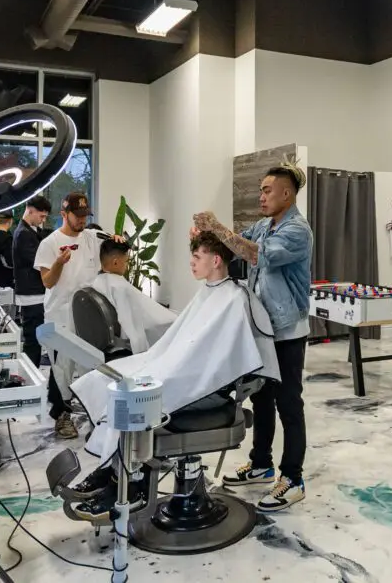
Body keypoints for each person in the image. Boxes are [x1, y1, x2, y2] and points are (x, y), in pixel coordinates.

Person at [67, 232, 279, 519]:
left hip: (208, 388)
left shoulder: (234, 299)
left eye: (197, 257)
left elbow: (226, 357)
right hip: (189, 374)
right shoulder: (209, 292)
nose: (191, 263)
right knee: (115, 380)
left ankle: (130, 487)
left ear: (216, 260)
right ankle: (111, 474)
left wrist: (177, 367)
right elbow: (187, 338)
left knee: (140, 399)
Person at [192, 159, 313, 512]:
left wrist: (219, 227)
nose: (260, 196)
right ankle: (261, 463)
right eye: (260, 190)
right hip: (263, 326)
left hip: (288, 328)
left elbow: (255, 255)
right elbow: (237, 244)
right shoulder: (265, 224)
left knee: (289, 402)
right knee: (261, 398)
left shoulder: (297, 230)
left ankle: (293, 478)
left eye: (266, 190)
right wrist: (208, 235)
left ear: (287, 194)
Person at [35, 192, 124, 439]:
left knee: (89, 365)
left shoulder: (93, 238)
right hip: (59, 315)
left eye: (86, 216)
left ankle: (92, 413)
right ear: (64, 214)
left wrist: (117, 241)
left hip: (86, 315)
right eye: (78, 216)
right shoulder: (49, 243)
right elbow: (47, 281)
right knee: (61, 368)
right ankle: (61, 416)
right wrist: (59, 263)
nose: (82, 221)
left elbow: (114, 250)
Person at [90, 238, 176, 355]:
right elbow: (133, 330)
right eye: (126, 261)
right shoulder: (119, 287)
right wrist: (141, 357)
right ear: (115, 262)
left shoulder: (96, 281)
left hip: (149, 316)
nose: (126, 266)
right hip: (155, 324)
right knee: (177, 322)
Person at [13, 195, 52, 369]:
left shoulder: (30, 231)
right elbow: (39, 262)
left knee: (34, 339)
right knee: (33, 341)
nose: (43, 220)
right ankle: (31, 378)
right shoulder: (23, 234)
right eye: (41, 216)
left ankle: (33, 376)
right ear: (30, 210)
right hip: (32, 295)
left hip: (33, 293)